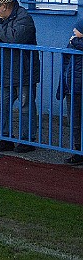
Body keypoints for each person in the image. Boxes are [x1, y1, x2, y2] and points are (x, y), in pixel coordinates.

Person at [0, 0, 40, 153]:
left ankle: (27, 139)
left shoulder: (24, 17)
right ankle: (5, 138)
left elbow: (16, 37)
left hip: (24, 70)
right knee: (0, 105)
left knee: (26, 106)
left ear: (4, 6)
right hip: (6, 71)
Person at [56, 19, 83, 165]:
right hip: (71, 87)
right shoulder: (72, 44)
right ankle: (78, 150)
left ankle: (79, 151)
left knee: (77, 121)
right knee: (74, 121)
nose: (73, 30)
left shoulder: (74, 44)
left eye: (76, 28)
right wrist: (63, 88)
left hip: (77, 88)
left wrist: (74, 43)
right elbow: (65, 68)